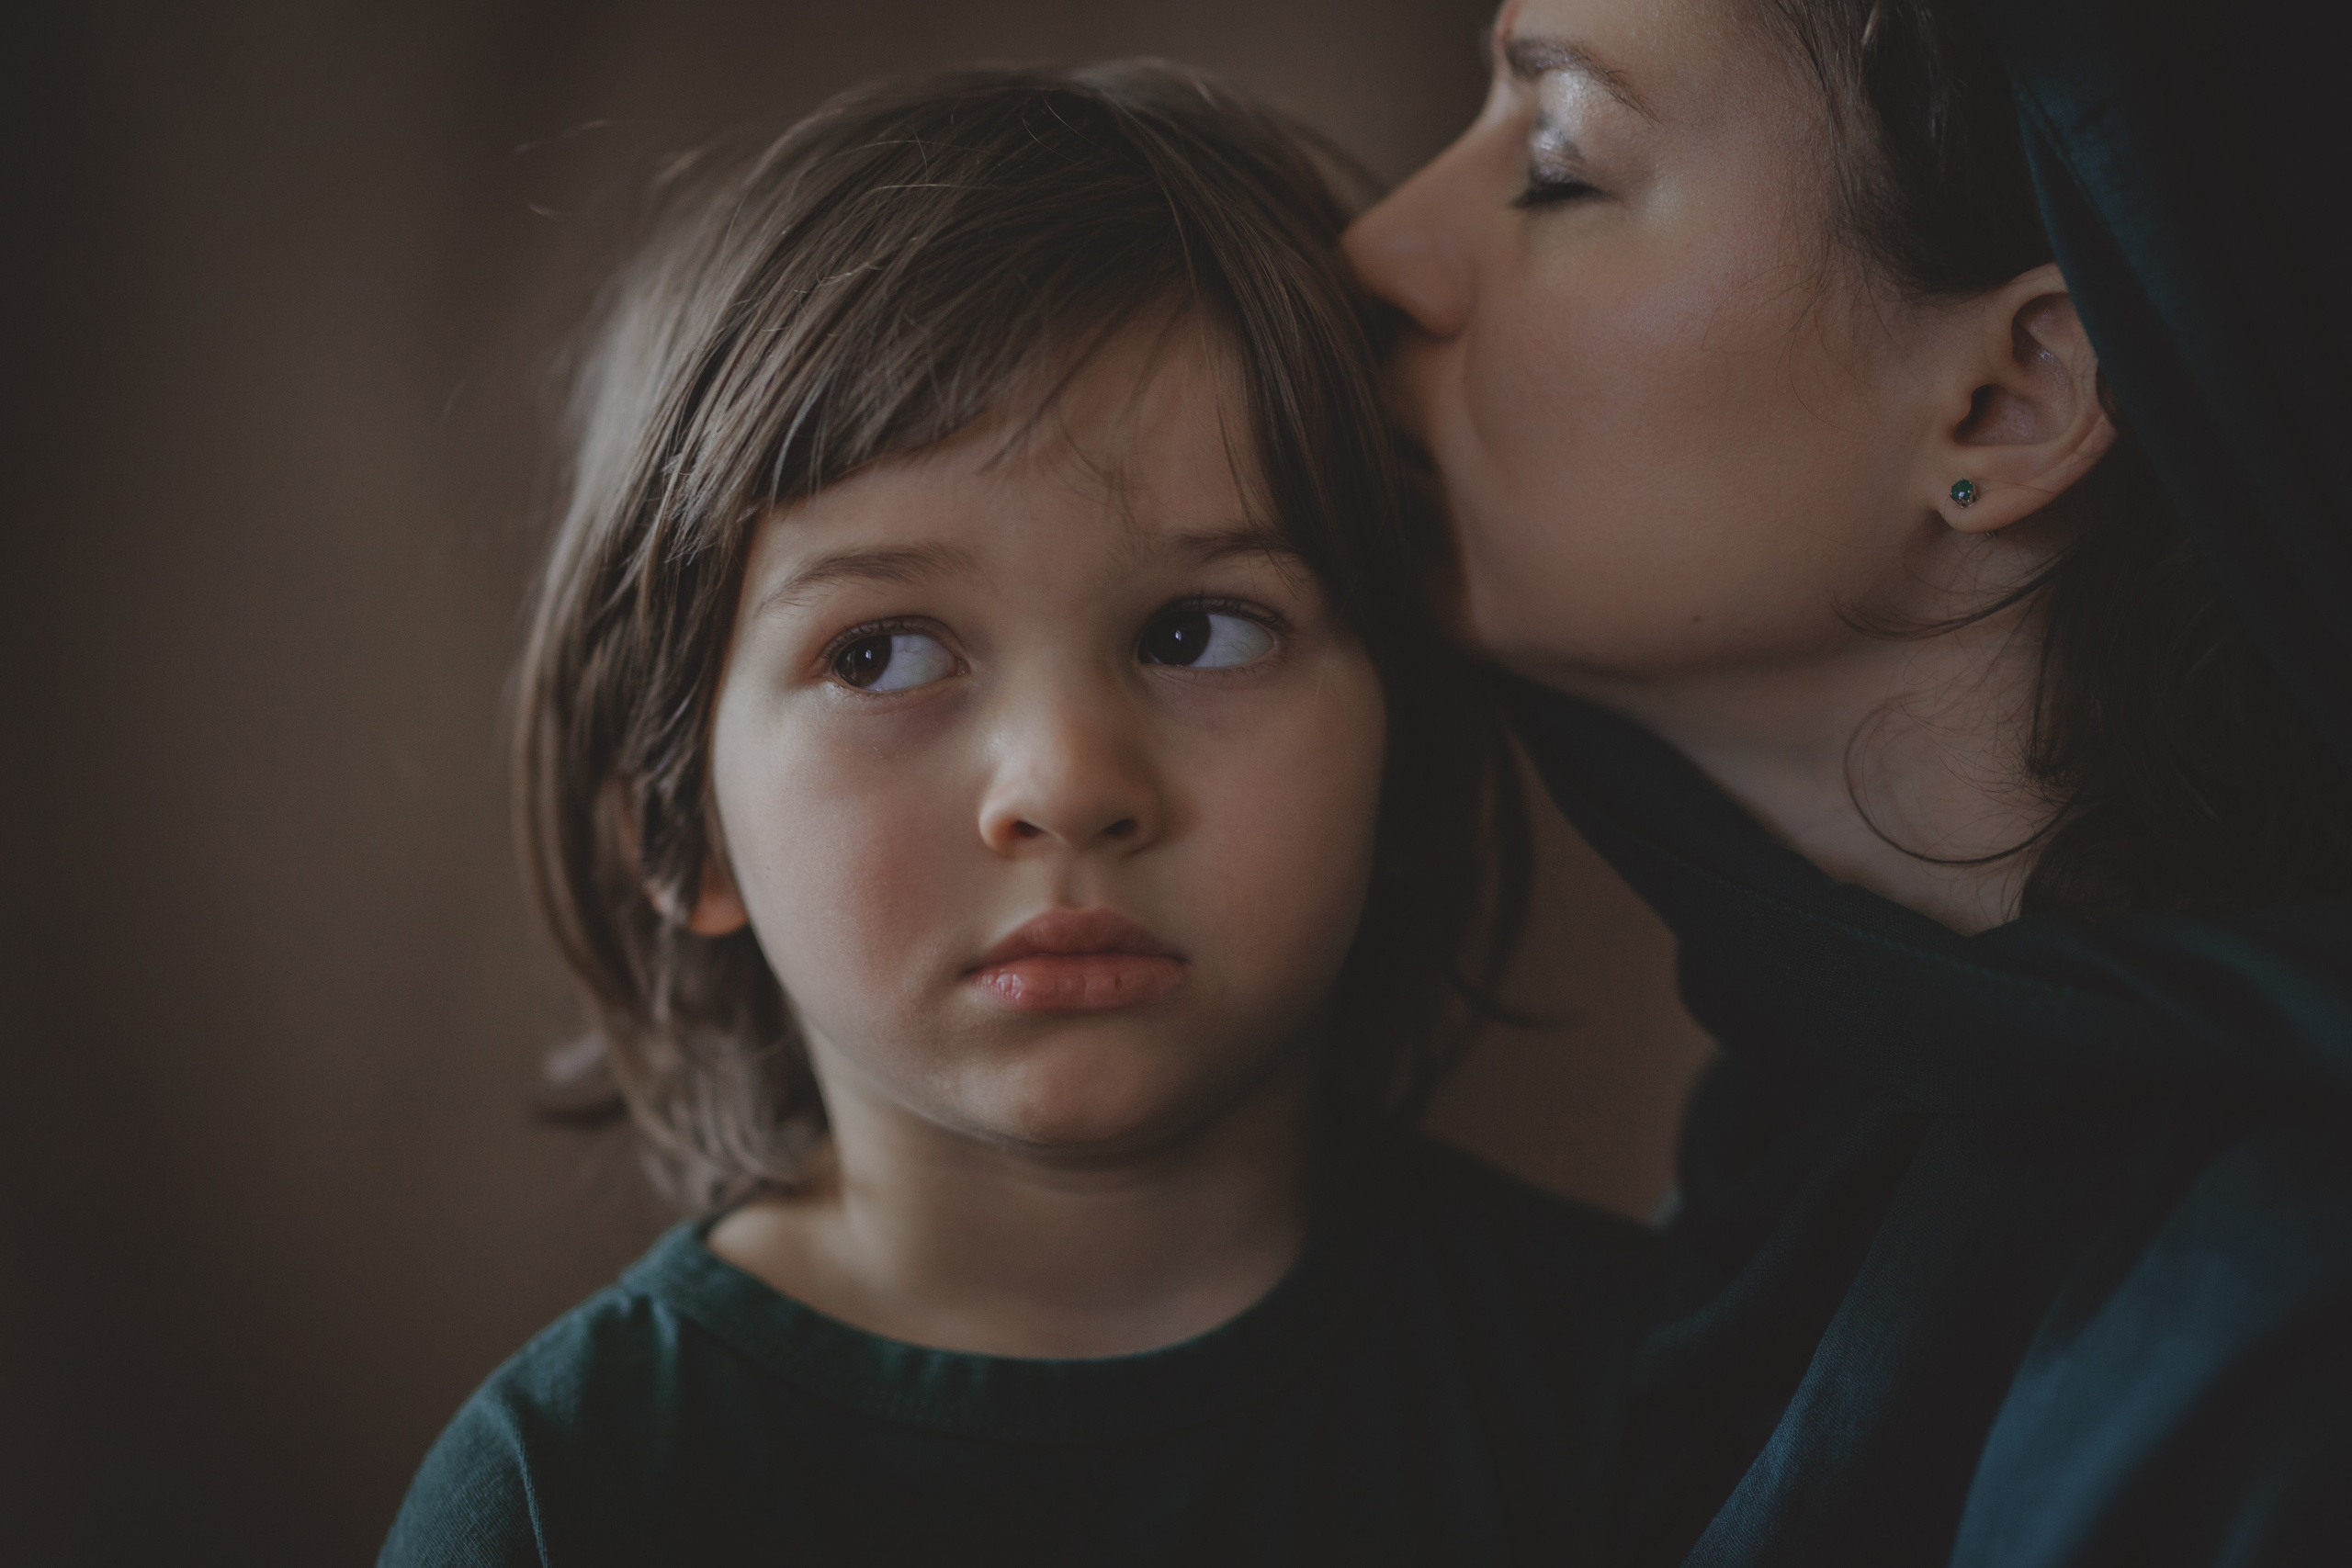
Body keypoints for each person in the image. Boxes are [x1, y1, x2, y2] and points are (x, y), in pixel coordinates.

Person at [379, 62, 1656, 1566]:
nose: (1065, 784)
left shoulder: (1656, 1392)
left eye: (1201, 632)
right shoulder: (568, 1499)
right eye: (883, 654)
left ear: (1417, 750)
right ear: (676, 824)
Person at [1346, 0, 2352, 1563]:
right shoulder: (1788, 1191)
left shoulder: (2285, 1356)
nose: (1378, 249)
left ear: (2010, 400)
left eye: (1558, 159)